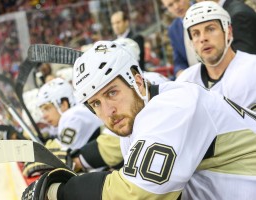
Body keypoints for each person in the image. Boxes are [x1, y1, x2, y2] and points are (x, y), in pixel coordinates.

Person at [22, 41, 256, 200]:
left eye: (111, 93)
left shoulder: (174, 105)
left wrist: (59, 191)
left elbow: (135, 192)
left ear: (138, 82)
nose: (108, 111)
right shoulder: (138, 117)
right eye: (96, 103)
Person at [177, 1, 256, 110]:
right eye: (196, 33)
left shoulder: (252, 69)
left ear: (228, 32)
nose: (203, 38)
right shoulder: (185, 83)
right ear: (191, 42)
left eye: (210, 29)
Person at [22, 77, 103, 177]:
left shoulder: (73, 116)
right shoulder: (76, 113)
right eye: (42, 110)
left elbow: (59, 151)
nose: (44, 116)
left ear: (63, 104)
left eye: (47, 108)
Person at [161, 0, 199, 78]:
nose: (176, 7)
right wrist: (180, 71)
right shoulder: (173, 29)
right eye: (170, 5)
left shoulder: (206, 9)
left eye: (178, 0)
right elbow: (179, 60)